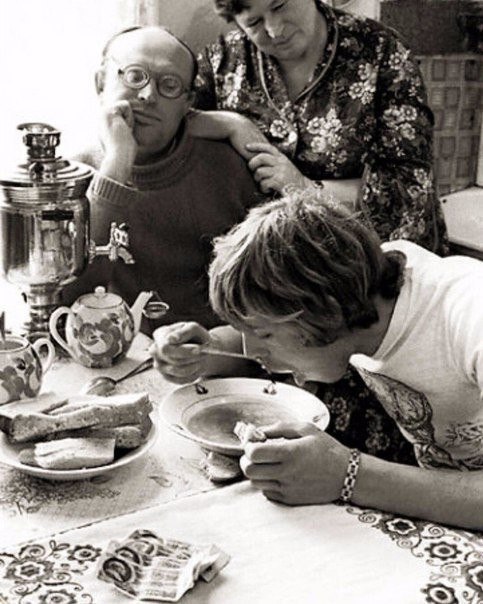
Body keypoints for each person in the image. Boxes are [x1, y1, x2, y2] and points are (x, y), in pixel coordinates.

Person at [184, 0, 450, 464]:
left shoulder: (380, 53)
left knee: (378, 466)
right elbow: (174, 128)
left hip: (358, 301)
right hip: (281, 311)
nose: (274, 29)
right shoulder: (221, 62)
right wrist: (234, 124)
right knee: (282, 462)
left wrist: (304, 188)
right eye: (253, 21)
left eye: (281, 5)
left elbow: (408, 193)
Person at [151, 190, 483, 530]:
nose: (252, 351)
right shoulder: (359, 287)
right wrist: (208, 351)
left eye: (263, 334)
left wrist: (348, 475)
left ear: (326, 311)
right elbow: (277, 326)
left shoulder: (470, 310)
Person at [66, 25, 261, 331]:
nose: (147, 95)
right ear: (101, 83)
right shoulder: (71, 177)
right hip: (114, 351)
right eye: (135, 76)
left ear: (187, 103)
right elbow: (66, 303)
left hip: (217, 350)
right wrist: (116, 165)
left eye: (169, 85)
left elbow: (270, 295)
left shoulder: (228, 168)